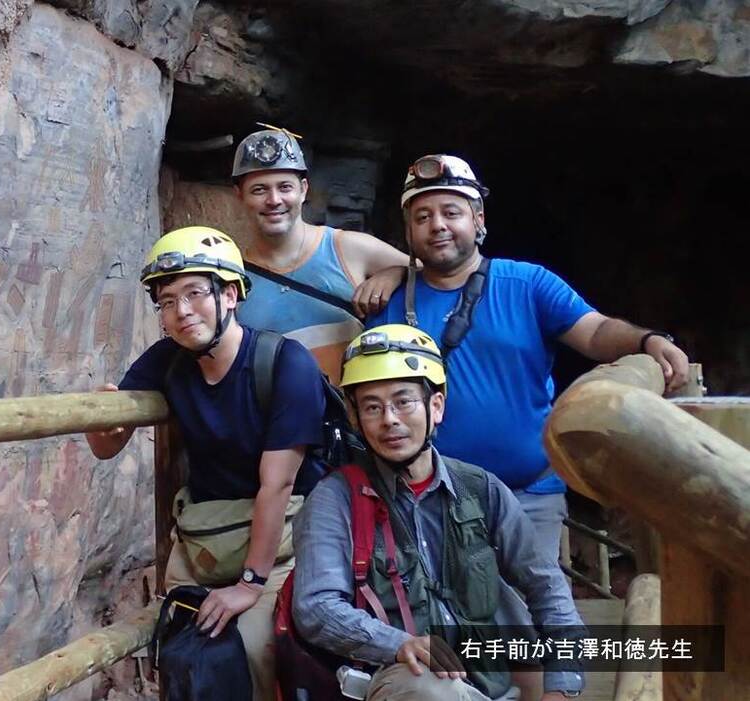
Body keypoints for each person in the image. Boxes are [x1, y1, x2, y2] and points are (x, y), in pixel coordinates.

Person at [366, 154, 690, 558]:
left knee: (529, 615)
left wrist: (647, 341)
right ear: (408, 230)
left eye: (452, 212)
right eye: (422, 216)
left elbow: (594, 331)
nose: (438, 226)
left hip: (529, 498)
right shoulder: (389, 302)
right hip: (427, 501)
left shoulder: (528, 284)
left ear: (479, 219)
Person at [85, 226, 327, 700]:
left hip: (278, 546)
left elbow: (276, 486)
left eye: (196, 293)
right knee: (181, 655)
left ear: (231, 293)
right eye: (168, 300)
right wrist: (101, 417)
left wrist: (249, 585)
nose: (181, 311)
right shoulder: (168, 360)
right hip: (203, 541)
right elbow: (106, 447)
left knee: (254, 652)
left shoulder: (285, 364)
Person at [292, 324, 585, 700]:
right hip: (399, 682)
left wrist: (563, 686)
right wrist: (399, 644)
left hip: (493, 685)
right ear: (355, 419)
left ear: (436, 406)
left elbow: (547, 586)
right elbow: (316, 607)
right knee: (431, 691)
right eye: (372, 407)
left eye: (403, 401)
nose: (390, 420)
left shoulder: (481, 488)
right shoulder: (336, 499)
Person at [231, 127, 411, 383]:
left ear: (303, 190)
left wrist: (397, 273)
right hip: (280, 420)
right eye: (259, 190)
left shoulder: (348, 249)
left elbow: (436, 276)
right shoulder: (233, 277)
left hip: (355, 416)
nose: (274, 200)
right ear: (239, 195)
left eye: (285, 187)